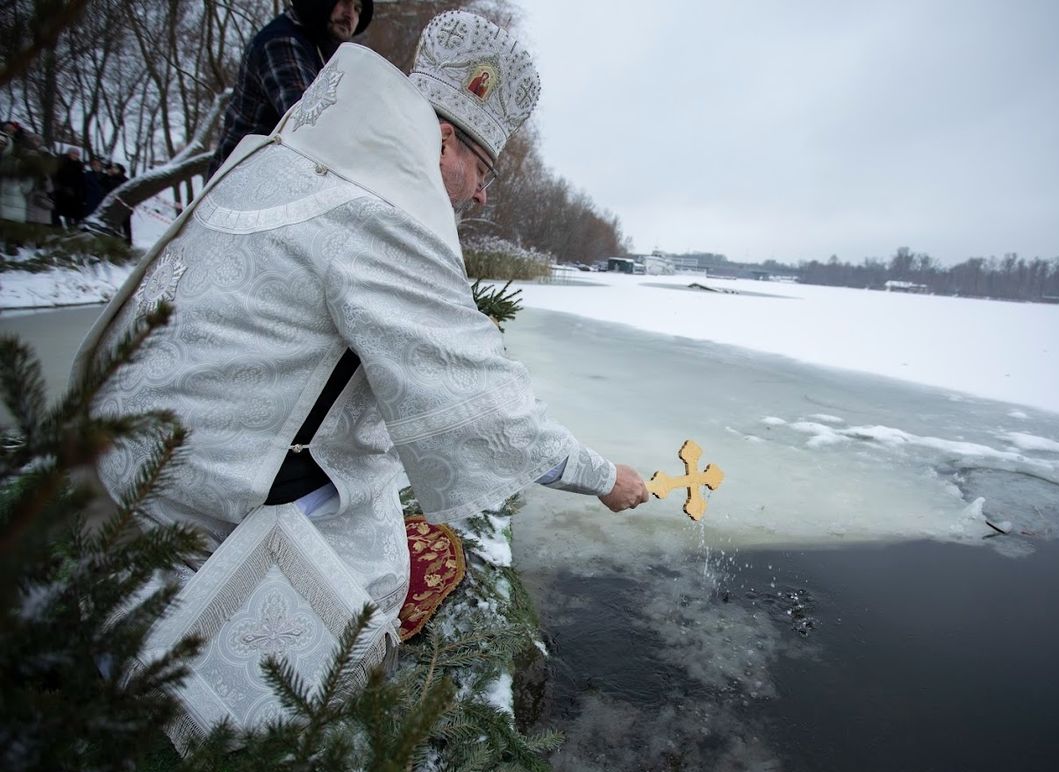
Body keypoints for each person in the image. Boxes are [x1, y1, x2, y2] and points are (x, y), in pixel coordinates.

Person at [74, 12, 647, 654]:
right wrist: (601, 477)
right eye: (483, 170)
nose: (483, 197)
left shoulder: (286, 157)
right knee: (379, 590)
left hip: (123, 474)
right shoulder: (386, 209)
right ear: (441, 141)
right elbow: (483, 407)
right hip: (195, 522)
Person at [207, 0, 373, 177]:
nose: (350, 14)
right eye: (345, 2)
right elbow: (310, 124)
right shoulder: (282, 41)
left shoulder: (323, 51)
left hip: (275, 175)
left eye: (357, 8)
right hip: (236, 182)